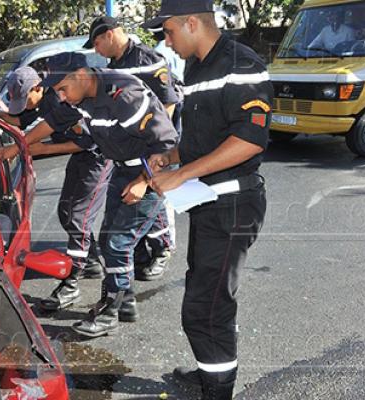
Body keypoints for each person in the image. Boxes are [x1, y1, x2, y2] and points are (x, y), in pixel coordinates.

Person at [143, 0, 272, 398]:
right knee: (205, 294)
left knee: (206, 308)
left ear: (193, 23)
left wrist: (179, 174)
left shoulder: (241, 63)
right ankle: (211, 372)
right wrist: (172, 156)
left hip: (233, 205)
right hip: (207, 201)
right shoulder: (197, 67)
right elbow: (204, 139)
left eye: (168, 32)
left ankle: (217, 389)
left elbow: (250, 140)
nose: (166, 43)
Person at [4, 52, 178, 335]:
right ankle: (124, 304)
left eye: (62, 89)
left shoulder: (124, 96)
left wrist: (143, 182)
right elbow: (52, 122)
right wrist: (18, 146)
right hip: (121, 170)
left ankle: (110, 312)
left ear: (82, 75)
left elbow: (166, 144)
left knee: (117, 245)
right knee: (112, 238)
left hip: (150, 173)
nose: (59, 96)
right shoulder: (78, 97)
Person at [0, 67, 111, 311]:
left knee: (78, 217)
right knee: (65, 212)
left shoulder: (61, 100)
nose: (24, 107)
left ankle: (71, 283)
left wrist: (38, 149)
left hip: (97, 158)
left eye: (24, 99)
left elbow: (86, 142)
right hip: (82, 158)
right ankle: (89, 261)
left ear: (38, 88)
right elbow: (19, 119)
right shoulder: (37, 103)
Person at [83, 15, 180, 281]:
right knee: (137, 202)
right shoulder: (114, 66)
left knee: (155, 196)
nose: (96, 51)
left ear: (109, 35)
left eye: (96, 43)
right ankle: (138, 253)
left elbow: (167, 105)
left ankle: (163, 249)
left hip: (155, 145)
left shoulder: (147, 60)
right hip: (129, 148)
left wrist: (159, 150)